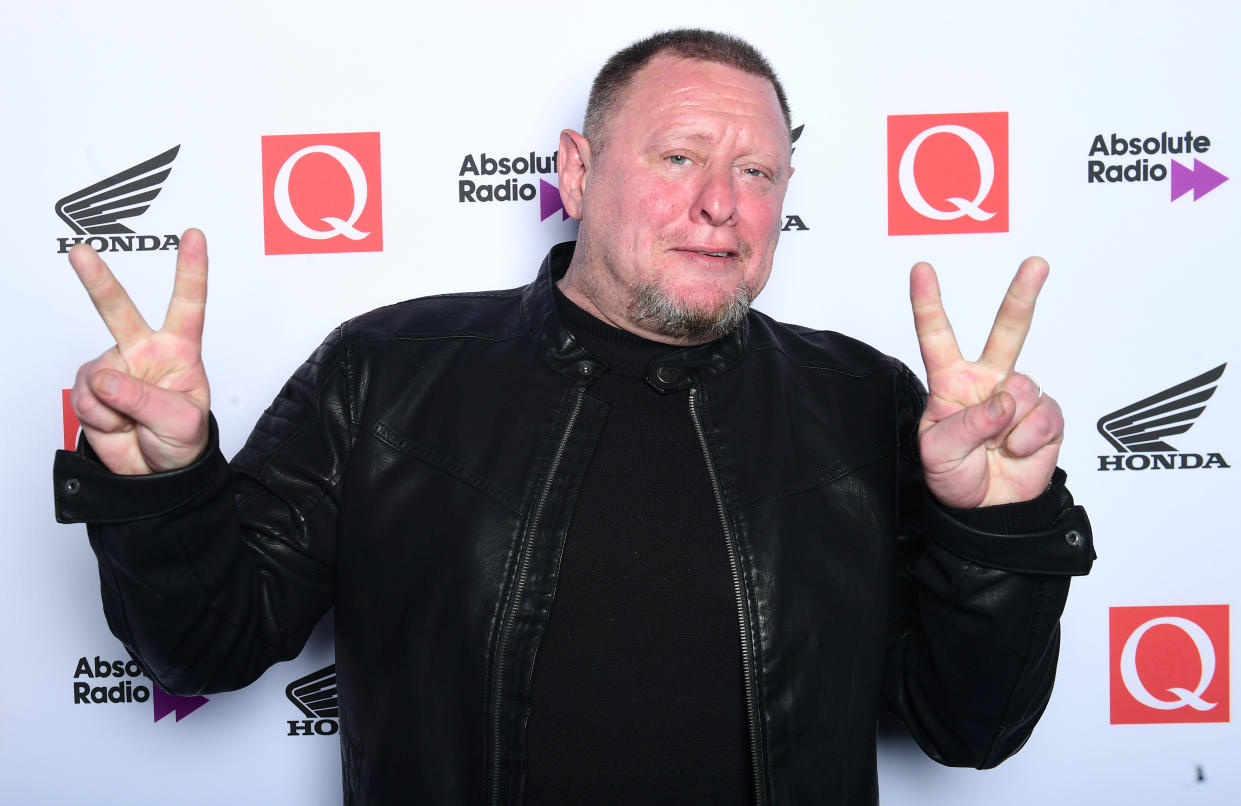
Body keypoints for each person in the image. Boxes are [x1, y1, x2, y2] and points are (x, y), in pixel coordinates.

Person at [54, 29, 1093, 806]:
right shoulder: (385, 374)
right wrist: (165, 491)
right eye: (679, 158)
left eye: (756, 172)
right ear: (576, 173)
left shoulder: (864, 403)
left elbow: (968, 728)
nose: (720, 203)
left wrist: (992, 531)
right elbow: (201, 647)